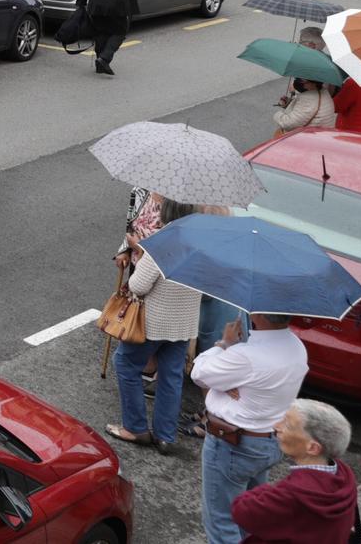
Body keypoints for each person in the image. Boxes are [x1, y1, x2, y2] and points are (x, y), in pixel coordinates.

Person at [193, 313, 310, 544]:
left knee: (221, 522)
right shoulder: (297, 347)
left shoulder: (245, 356)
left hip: (234, 445)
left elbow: (199, 374)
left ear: (257, 314)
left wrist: (224, 344)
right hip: (270, 440)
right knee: (253, 515)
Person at [106, 201, 202, 453]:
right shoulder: (202, 241)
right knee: (171, 376)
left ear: (166, 212)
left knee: (126, 364)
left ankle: (136, 428)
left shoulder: (162, 241)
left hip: (154, 320)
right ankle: (165, 435)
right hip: (184, 322)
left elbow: (138, 285)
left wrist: (142, 250)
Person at [230, 400, 359, 543]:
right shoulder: (345, 476)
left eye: (287, 425)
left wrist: (268, 490)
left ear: (312, 448)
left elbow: (241, 511)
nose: (276, 426)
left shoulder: (292, 493)